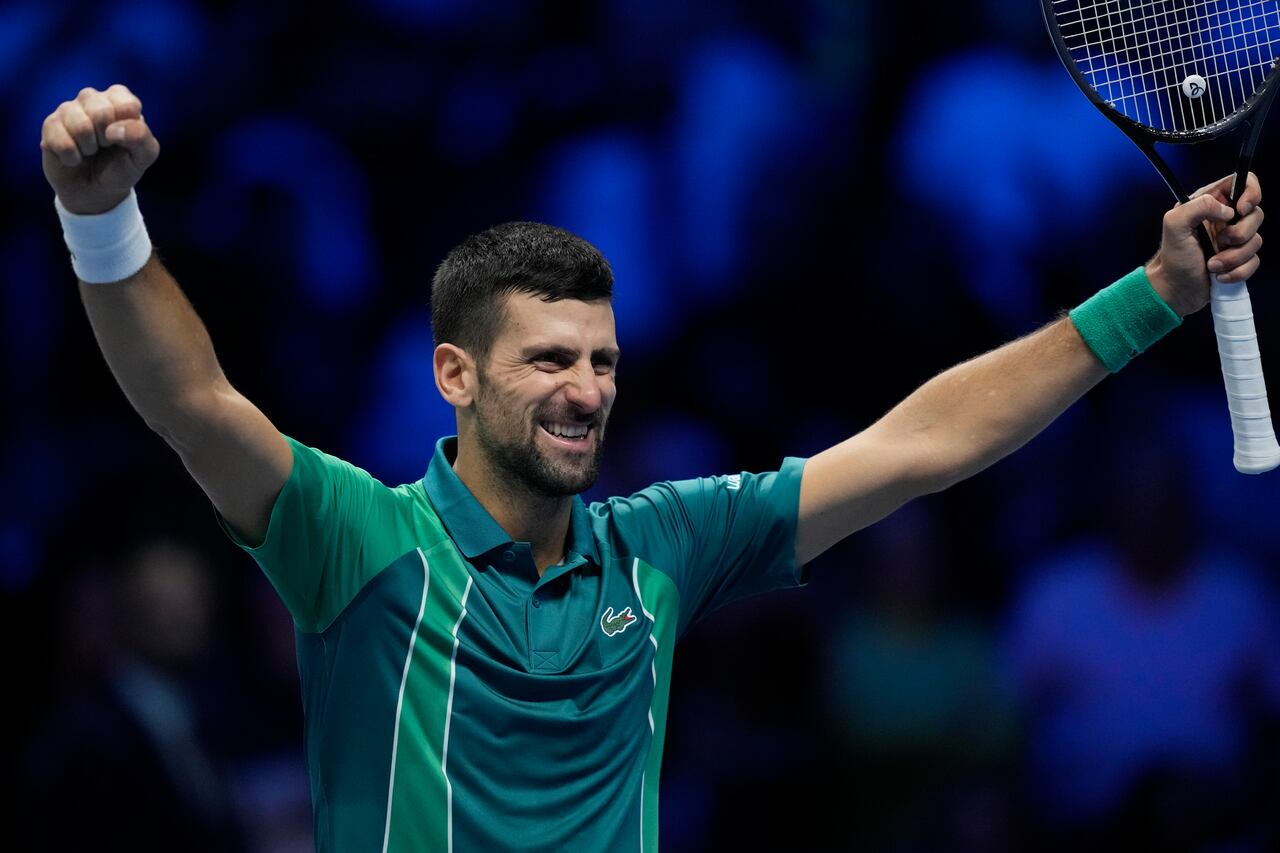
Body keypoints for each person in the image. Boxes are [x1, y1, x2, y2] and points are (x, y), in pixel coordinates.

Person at [41, 83, 1265, 851]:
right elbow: (192, 402)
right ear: (453, 376)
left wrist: (1153, 294)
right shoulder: (361, 542)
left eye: (604, 362)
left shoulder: (662, 544)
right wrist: (102, 220)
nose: (587, 393)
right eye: (548, 362)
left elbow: (922, 445)